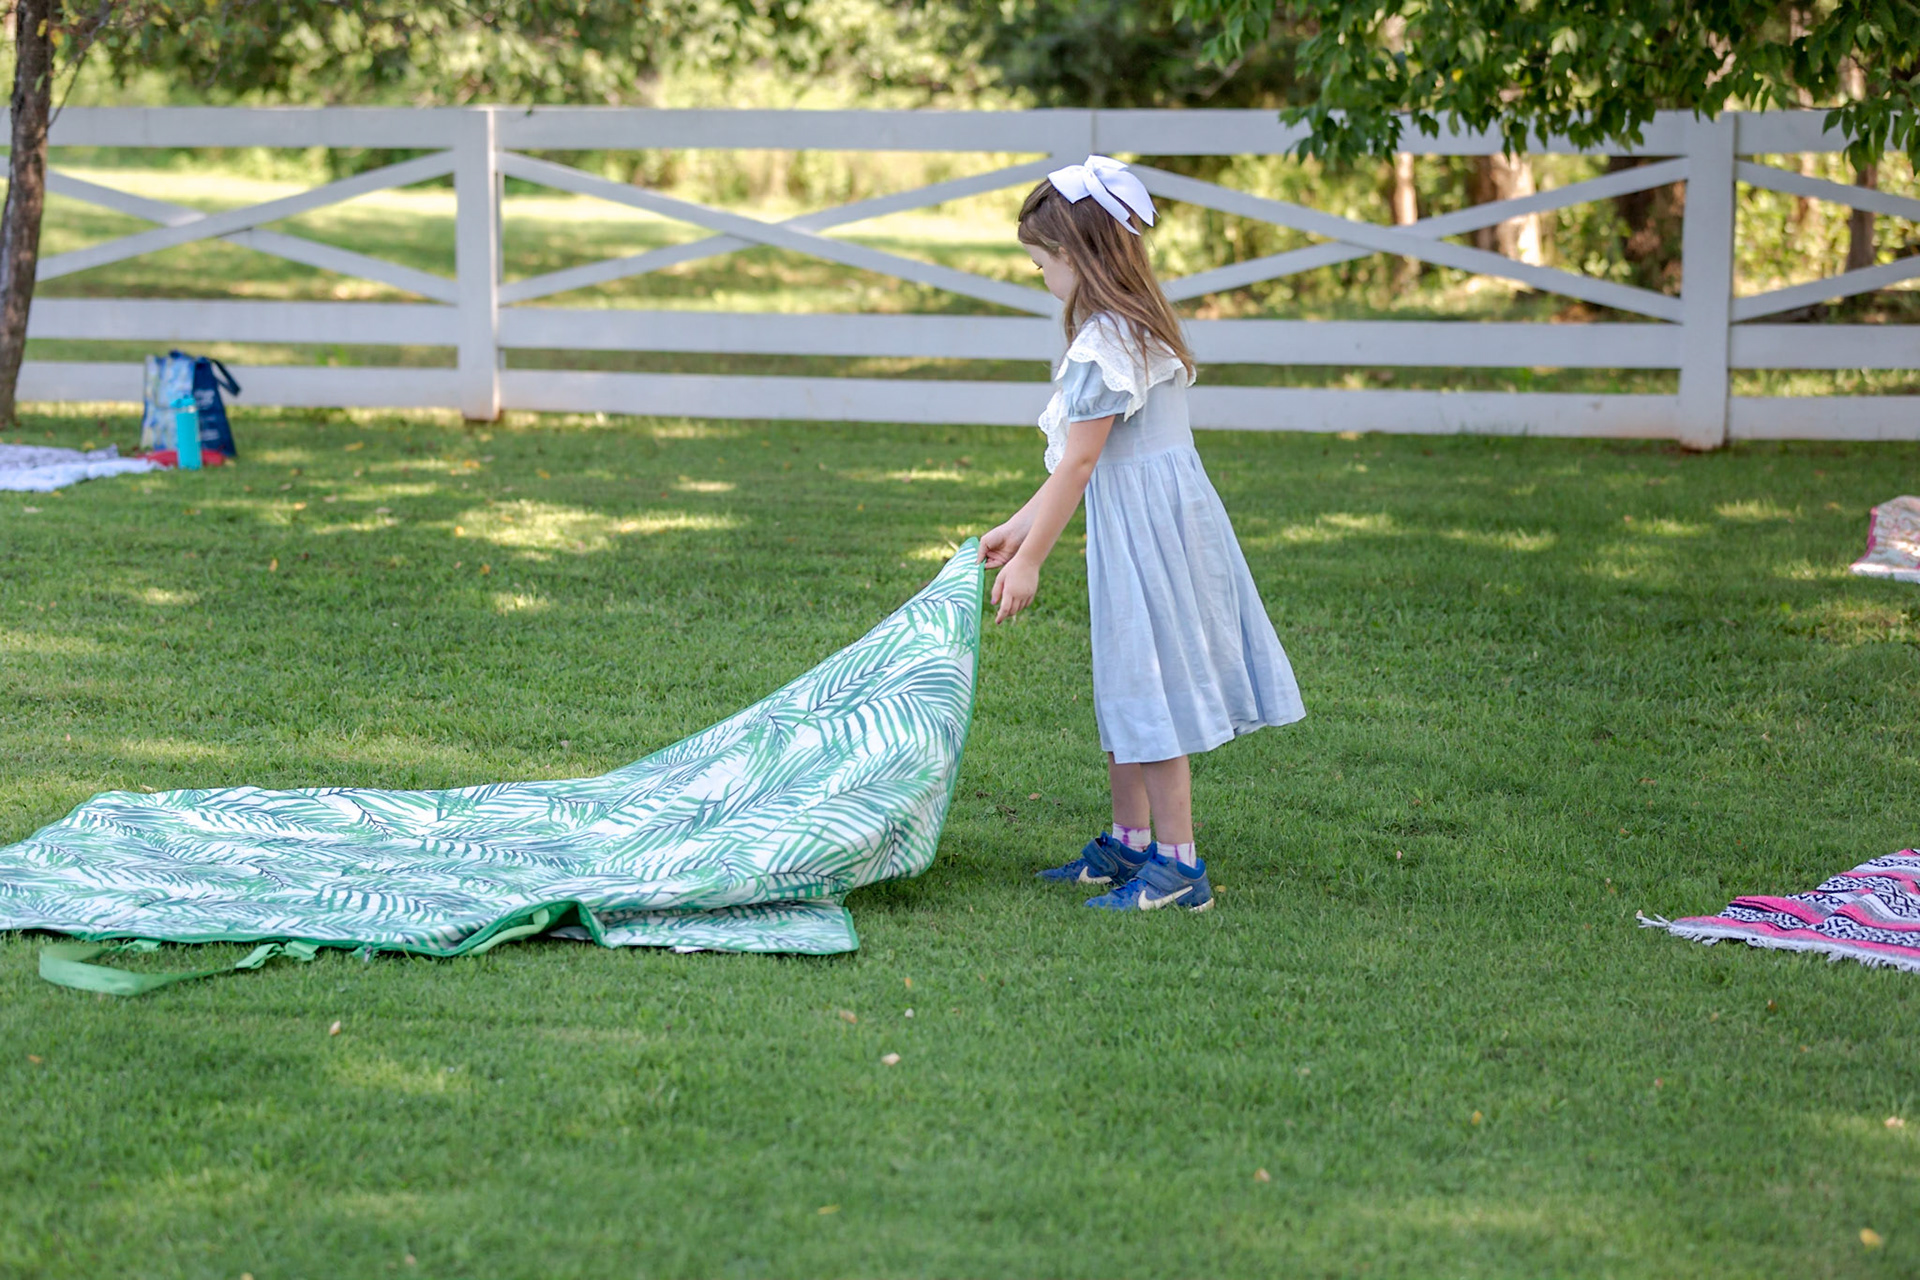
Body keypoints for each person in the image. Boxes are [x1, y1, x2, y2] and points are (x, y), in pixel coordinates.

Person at [980, 155, 1305, 913]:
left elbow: (1084, 463)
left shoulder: (1106, 345)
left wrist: (1031, 560)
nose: (1040, 277)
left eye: (1041, 263)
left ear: (1076, 256)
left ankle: (1178, 867)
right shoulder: (1126, 327)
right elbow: (1075, 460)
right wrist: (1017, 525)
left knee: (1149, 690)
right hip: (1151, 524)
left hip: (1149, 534)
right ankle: (1130, 843)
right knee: (1125, 683)